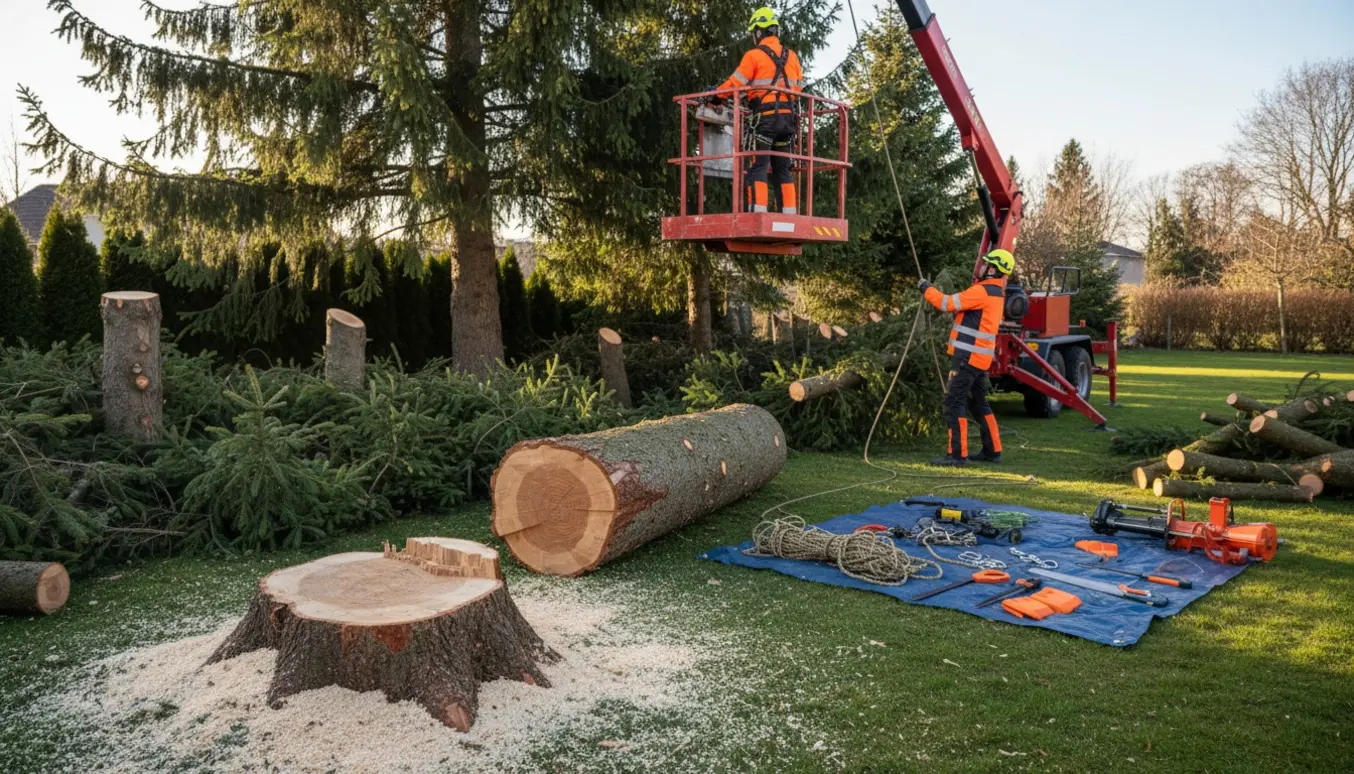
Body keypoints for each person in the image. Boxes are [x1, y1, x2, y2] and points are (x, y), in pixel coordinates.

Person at [919, 249, 1015, 467]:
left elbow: (947, 303)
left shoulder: (983, 291)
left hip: (967, 358)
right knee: (979, 403)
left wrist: (926, 289)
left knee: (954, 402)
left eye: (986, 263)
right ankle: (993, 450)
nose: (981, 267)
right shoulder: (997, 293)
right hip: (979, 359)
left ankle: (957, 455)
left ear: (993, 269)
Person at [717, 7, 804, 215]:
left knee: (759, 166)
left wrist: (715, 95)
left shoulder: (754, 55)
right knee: (783, 169)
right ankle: (789, 215)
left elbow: (734, 84)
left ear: (758, 31)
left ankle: (758, 213)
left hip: (765, 121)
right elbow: (798, 88)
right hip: (787, 122)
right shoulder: (792, 56)